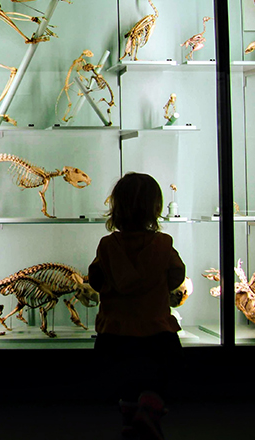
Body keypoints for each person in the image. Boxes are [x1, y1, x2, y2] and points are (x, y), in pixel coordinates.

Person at [88, 172, 186, 440]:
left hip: (116, 332)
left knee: (125, 381)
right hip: (156, 331)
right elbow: (176, 276)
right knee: (162, 377)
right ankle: (148, 413)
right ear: (155, 209)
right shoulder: (164, 244)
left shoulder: (108, 246)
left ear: (115, 207)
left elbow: (95, 279)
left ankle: (132, 420)